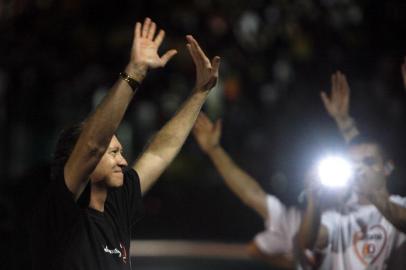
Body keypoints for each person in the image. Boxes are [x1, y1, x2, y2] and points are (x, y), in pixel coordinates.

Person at [31, 17, 220, 270]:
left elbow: (158, 153)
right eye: (113, 153)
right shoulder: (62, 212)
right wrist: (136, 71)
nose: (123, 160)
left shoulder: (116, 205)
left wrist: (200, 93)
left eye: (120, 152)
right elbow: (91, 146)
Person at [192, 70, 362, 269]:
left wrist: (345, 123)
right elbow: (250, 194)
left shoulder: (362, 209)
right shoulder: (291, 221)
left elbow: (369, 164)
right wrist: (215, 151)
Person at [296, 73, 406, 269]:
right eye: (353, 164)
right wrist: (313, 199)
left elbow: (401, 220)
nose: (360, 169)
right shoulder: (341, 216)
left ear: (388, 168)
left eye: (369, 162)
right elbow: (308, 242)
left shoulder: (400, 205)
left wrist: (375, 196)